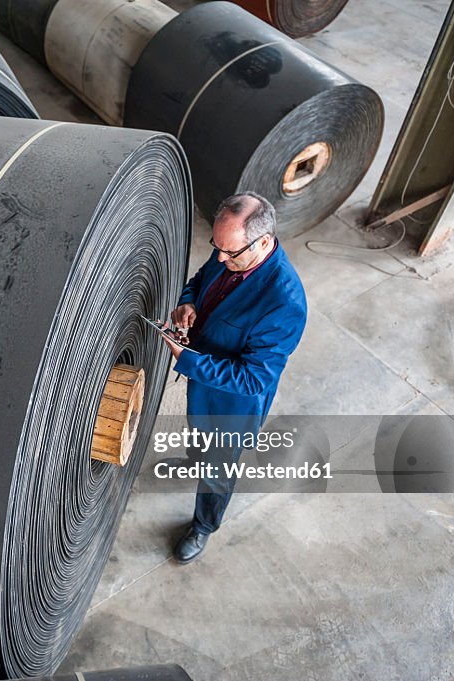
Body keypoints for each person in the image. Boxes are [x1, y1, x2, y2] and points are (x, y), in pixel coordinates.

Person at [160, 192, 307, 564]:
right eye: (217, 247)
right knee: (198, 432)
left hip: (232, 405)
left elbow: (253, 379)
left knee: (217, 470)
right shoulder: (232, 247)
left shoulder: (285, 303)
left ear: (264, 241)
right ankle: (196, 456)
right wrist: (190, 301)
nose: (220, 258)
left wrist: (189, 360)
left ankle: (203, 526)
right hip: (204, 388)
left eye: (230, 253)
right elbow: (200, 278)